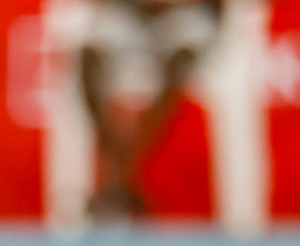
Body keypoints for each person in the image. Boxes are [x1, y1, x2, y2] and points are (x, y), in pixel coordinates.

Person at [79, 0, 221, 218]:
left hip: (184, 17)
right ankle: (122, 182)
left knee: (179, 62)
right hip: (130, 15)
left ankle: (120, 179)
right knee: (88, 54)